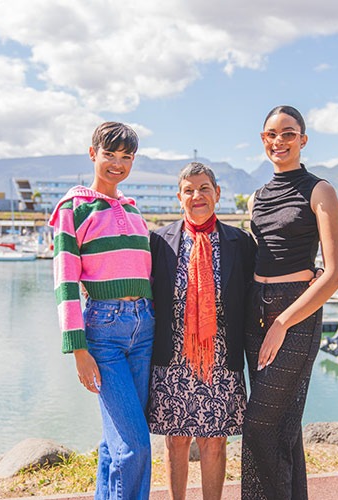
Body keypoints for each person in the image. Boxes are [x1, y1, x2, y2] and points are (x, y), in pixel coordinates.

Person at [241, 105, 338, 500]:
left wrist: (283, 321)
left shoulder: (320, 190)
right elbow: (257, 257)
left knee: (259, 424)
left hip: (295, 313)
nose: (279, 141)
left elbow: (335, 273)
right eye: (271, 134)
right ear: (263, 141)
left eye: (288, 133)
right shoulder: (257, 197)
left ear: (303, 139)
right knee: (282, 424)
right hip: (256, 308)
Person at [49, 122, 154, 500]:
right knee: (135, 446)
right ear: (92, 153)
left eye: (126, 157)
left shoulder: (132, 208)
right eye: (110, 154)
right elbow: (65, 282)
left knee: (116, 444)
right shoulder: (72, 208)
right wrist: (78, 349)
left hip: (145, 328)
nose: (117, 163)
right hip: (104, 331)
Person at [147, 162, 257, 500]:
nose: (197, 195)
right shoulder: (159, 241)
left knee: (215, 442)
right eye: (189, 190)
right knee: (176, 441)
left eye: (204, 188)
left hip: (220, 360)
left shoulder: (240, 242)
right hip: (172, 357)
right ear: (179, 197)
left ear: (217, 194)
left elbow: (260, 291)